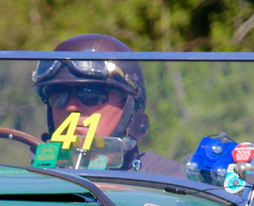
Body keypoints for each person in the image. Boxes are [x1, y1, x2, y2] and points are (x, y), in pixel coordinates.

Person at [32, 34, 183, 176]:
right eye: (58, 95)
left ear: (130, 108)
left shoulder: (170, 184)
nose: (71, 107)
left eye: (91, 95)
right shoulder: (26, 179)